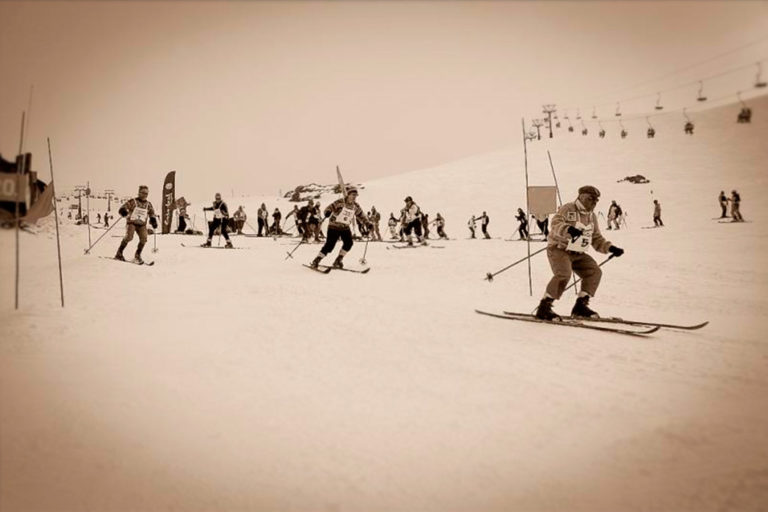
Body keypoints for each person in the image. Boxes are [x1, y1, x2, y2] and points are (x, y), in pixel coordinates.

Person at [534, 185, 624, 320]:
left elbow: (596, 238)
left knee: (594, 272)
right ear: (581, 197)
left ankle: (580, 307)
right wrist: (568, 229)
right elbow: (555, 223)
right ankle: (544, 308)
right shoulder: (568, 209)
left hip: (578, 253)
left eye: (596, 201)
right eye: (590, 199)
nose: (593, 203)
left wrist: (610, 248)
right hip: (559, 249)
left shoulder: (592, 217)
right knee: (563, 274)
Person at [310, 186, 372, 269]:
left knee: (348, 243)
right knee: (330, 246)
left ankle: (338, 260)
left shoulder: (355, 206)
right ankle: (316, 260)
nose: (354, 197)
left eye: (356, 195)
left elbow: (361, 215)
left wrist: (368, 224)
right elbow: (328, 208)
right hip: (334, 227)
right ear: (348, 195)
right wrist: (327, 212)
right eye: (353, 195)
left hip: (345, 227)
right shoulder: (339, 202)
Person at [114, 185, 158, 263]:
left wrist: (153, 220)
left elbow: (152, 213)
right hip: (132, 223)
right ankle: (119, 253)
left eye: (146, 193)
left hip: (142, 224)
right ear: (139, 193)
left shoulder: (148, 204)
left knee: (144, 238)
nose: (145, 195)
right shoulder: (133, 201)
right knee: (129, 237)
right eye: (143, 193)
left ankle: (137, 255)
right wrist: (123, 211)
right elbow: (123, 208)